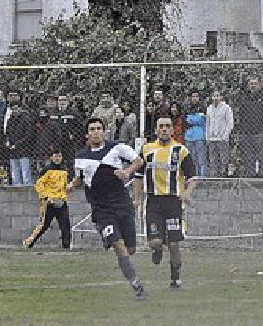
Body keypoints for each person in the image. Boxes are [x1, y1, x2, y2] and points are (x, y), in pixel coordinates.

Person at [68, 118, 147, 300]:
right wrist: (72, 185)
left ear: (104, 131)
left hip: (122, 204)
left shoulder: (116, 147)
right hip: (101, 209)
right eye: (92, 129)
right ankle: (137, 285)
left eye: (99, 128)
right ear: (87, 134)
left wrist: (127, 172)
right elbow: (80, 178)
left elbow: (138, 160)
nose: (96, 132)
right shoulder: (80, 157)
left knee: (131, 249)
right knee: (118, 245)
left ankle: (130, 271)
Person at [136, 116, 198, 290]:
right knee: (155, 242)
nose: (164, 129)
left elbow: (192, 177)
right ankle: (157, 249)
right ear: (156, 130)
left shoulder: (181, 150)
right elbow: (138, 176)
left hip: (173, 202)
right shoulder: (147, 150)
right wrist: (136, 198)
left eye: (167, 126)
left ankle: (175, 279)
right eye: (161, 126)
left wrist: (187, 192)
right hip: (153, 202)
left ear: (172, 130)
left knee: (174, 244)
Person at [24, 150, 72, 249]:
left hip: (61, 201)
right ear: (51, 158)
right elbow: (38, 185)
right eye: (56, 156)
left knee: (65, 225)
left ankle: (66, 247)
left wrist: (68, 189)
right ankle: (29, 243)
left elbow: (64, 185)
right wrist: (46, 197)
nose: (58, 158)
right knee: (43, 225)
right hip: (48, 202)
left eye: (59, 156)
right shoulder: (46, 170)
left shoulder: (64, 170)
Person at [236, 76, 263, 177]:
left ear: (259, 85)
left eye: (255, 83)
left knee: (262, 157)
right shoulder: (244, 98)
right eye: (251, 84)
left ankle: (262, 176)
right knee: (248, 157)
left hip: (261, 133)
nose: (253, 86)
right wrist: (242, 132)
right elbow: (241, 116)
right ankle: (250, 176)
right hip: (246, 134)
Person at [205, 89, 234, 177]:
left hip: (222, 139)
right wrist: (207, 137)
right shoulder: (209, 108)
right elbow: (207, 123)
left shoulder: (226, 108)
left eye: (217, 96)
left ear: (221, 97)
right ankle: (214, 177)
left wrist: (225, 136)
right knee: (213, 160)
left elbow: (230, 123)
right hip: (211, 139)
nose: (215, 98)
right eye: (214, 96)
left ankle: (223, 176)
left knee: (223, 159)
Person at [184, 91, 208, 177]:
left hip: (199, 136)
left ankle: (202, 177)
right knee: (192, 158)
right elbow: (185, 121)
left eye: (196, 96)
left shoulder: (202, 108)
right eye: (193, 96)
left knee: (201, 159)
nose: (194, 98)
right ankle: (193, 176)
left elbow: (201, 120)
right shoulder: (187, 108)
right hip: (189, 137)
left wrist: (191, 119)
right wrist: (194, 119)